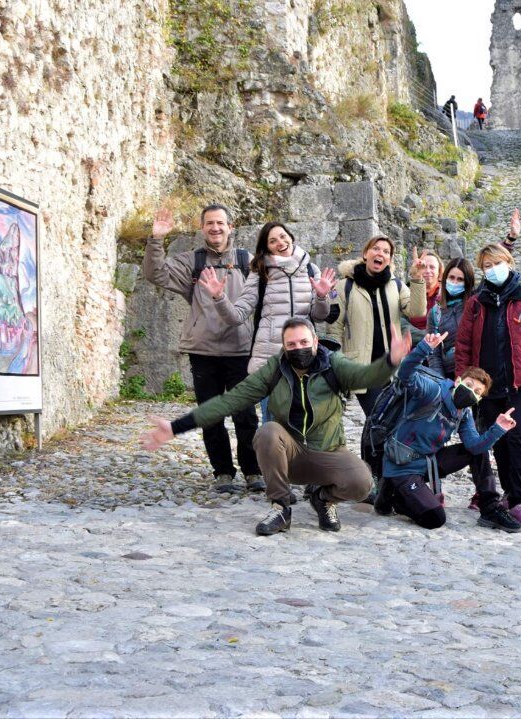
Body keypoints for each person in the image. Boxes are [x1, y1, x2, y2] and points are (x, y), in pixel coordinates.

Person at [141, 317, 412, 535]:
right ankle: (280, 507)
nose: (298, 348)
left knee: (361, 483)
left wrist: (391, 361)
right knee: (267, 432)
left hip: (327, 451)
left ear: (316, 341)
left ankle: (323, 499)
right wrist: (177, 426)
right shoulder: (275, 369)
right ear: (283, 347)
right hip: (288, 454)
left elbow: (363, 376)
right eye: (291, 344)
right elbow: (230, 401)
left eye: (304, 342)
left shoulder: (333, 365)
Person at [142, 204, 262, 495]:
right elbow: (155, 274)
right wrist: (156, 239)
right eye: (209, 223)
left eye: (220, 223)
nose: (215, 228)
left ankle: (253, 470)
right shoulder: (191, 262)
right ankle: (222, 472)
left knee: (245, 415)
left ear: (230, 227)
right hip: (204, 351)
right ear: (202, 227)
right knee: (210, 414)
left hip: (240, 350)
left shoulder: (248, 261)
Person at [373, 332, 521, 532]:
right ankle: (392, 495)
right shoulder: (433, 390)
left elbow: (474, 446)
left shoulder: (464, 413)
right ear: (458, 380)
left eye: (477, 392)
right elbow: (406, 375)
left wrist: (498, 429)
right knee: (434, 518)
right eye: (469, 385)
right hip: (402, 464)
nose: (471, 392)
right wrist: (424, 348)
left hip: (428, 462)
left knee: (478, 453)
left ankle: (490, 507)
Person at [197, 222, 337, 424]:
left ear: (291, 236)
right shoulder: (260, 272)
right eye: (273, 241)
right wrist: (219, 297)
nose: (280, 242)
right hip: (270, 360)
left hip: (305, 357)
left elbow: (318, 315)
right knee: (273, 423)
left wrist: (323, 296)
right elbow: (236, 316)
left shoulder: (310, 269)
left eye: (282, 236)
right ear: (267, 247)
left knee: (307, 422)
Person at [455, 243, 521, 530]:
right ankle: (508, 496)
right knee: (498, 442)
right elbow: (463, 345)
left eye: (496, 263)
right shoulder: (476, 302)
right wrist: (464, 381)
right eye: (486, 266)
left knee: (519, 440)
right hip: (486, 388)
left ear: (509, 263)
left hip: (519, 386)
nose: (492, 269)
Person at [322, 236, 427, 485]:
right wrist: (334, 363)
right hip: (360, 368)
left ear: (390, 259)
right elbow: (334, 328)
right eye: (376, 249)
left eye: (386, 251)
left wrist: (418, 279)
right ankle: (373, 476)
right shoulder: (345, 285)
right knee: (377, 419)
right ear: (366, 253)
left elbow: (417, 312)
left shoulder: (396, 285)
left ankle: (374, 475)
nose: (381, 254)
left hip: (391, 367)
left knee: (379, 422)